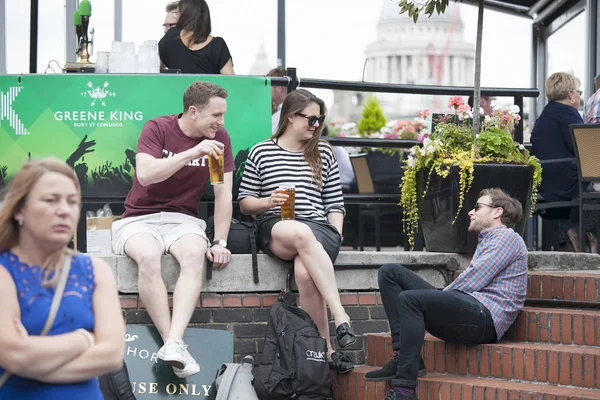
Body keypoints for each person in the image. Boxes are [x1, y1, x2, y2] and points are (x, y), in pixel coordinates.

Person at [111, 81, 235, 378]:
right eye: (215, 115)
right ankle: (174, 343)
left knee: (195, 253)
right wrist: (192, 154)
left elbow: (222, 193)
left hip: (183, 220)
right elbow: (147, 174)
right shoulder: (157, 128)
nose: (221, 122)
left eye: (223, 116)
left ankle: (173, 343)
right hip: (139, 218)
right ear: (193, 112)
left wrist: (220, 241)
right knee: (149, 256)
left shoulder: (218, 140)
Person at [367, 188, 528, 400]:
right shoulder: (489, 240)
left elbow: (475, 279)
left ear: (497, 212)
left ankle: (405, 390)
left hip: (485, 319)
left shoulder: (508, 238)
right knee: (390, 273)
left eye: (478, 207)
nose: (471, 212)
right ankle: (404, 357)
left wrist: (437, 298)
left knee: (411, 299)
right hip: (470, 307)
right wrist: (436, 299)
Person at [238, 89, 356, 374]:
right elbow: (244, 203)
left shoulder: (323, 152)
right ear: (291, 116)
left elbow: (334, 202)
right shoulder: (262, 150)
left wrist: (336, 230)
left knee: (305, 274)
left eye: (320, 120)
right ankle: (340, 314)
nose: (316, 126)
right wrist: (268, 201)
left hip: (319, 229)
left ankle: (324, 352)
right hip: (277, 226)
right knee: (300, 233)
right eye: (311, 119)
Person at [0, 158, 125, 399]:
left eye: (72, 202)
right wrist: (85, 338)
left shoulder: (96, 270)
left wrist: (32, 362)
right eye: (50, 200)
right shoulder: (4, 271)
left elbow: (112, 355)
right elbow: (15, 356)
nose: (64, 210)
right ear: (19, 210)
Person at [530, 72, 598, 253]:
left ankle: (574, 233)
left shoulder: (546, 115)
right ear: (570, 95)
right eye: (579, 92)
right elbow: (588, 152)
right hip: (566, 182)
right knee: (596, 187)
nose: (579, 96)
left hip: (548, 181)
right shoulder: (568, 115)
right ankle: (584, 231)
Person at [159, 0, 234, 74]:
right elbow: (231, 82)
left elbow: (151, 72)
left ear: (187, 15)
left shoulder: (170, 37)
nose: (177, 17)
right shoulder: (217, 45)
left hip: (176, 86)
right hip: (210, 86)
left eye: (177, 13)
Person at [267, 67, 287, 133]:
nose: (266, 90)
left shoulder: (283, 114)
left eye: (268, 85)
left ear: (279, 87)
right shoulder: (280, 112)